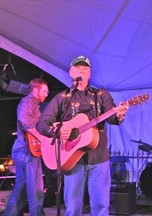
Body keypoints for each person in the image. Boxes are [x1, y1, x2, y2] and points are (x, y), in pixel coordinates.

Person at [36, 55, 129, 216]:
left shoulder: (101, 95)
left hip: (98, 157)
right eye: (78, 68)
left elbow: (113, 117)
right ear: (70, 72)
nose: (81, 71)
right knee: (72, 207)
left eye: (85, 69)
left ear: (89, 73)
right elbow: (42, 123)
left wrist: (120, 114)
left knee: (101, 207)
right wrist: (56, 132)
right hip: (72, 159)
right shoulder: (63, 98)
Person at [4, 78, 49, 216]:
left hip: (21, 150)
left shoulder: (33, 104)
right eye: (44, 91)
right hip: (27, 151)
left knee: (21, 188)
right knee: (36, 189)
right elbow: (25, 121)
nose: (46, 94)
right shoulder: (29, 101)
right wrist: (42, 138)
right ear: (35, 90)